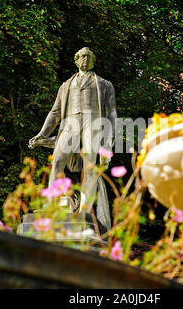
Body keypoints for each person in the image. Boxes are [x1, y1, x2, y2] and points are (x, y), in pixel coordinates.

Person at [29, 47, 116, 229]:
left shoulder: (104, 84)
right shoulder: (65, 86)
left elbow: (112, 113)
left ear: (93, 61)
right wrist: (42, 134)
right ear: (76, 61)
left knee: (90, 166)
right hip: (70, 124)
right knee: (58, 161)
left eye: (88, 57)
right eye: (82, 57)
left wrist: (108, 142)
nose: (85, 60)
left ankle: (84, 208)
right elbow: (55, 112)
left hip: (92, 125)